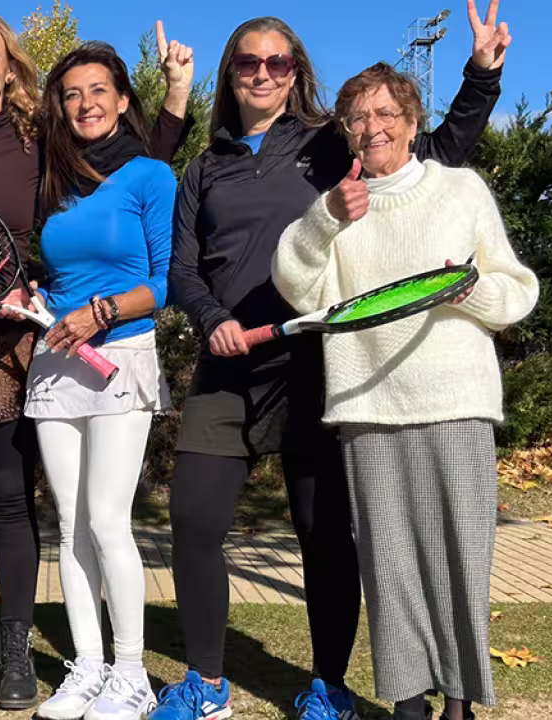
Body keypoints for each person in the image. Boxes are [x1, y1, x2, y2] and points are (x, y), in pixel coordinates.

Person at [157, 3, 512, 719]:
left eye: (277, 62)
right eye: (249, 62)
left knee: (325, 535)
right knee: (194, 521)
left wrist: (480, 77)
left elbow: (430, 158)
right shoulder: (206, 164)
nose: (262, 73)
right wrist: (213, 319)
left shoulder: (326, 143)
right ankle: (206, 684)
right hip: (229, 367)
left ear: (296, 74)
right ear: (232, 73)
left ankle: (329, 683)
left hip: (317, 368)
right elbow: (184, 270)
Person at [0, 11, 195, 711]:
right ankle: (51, 660)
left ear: (11, 66)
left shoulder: (41, 144)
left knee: (74, 514)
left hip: (64, 348)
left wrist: (177, 96)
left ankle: (103, 668)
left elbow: (133, 166)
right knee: (44, 515)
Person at [272, 62, 537, 720]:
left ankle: (458, 702)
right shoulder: (339, 203)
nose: (374, 127)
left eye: (388, 113)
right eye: (359, 116)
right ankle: (409, 701)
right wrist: (324, 219)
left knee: (460, 564)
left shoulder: (461, 190)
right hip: (368, 410)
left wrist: (472, 287)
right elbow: (296, 285)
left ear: (413, 124)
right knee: (389, 570)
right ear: (346, 130)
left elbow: (515, 292)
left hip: (455, 404)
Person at [21, 43, 174, 720]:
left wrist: (101, 313)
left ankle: (132, 675)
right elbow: (52, 273)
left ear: (121, 100)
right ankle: (87, 669)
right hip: (57, 357)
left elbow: (164, 283)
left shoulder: (149, 176)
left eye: (97, 91)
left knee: (109, 519)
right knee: (70, 522)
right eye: (72, 94)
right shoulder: (54, 182)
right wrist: (39, 295)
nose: (85, 103)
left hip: (121, 353)